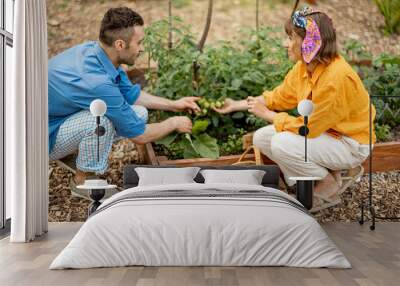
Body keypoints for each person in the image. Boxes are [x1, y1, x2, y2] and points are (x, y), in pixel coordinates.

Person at [214, 6, 375, 212]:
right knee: (262, 138)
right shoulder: (304, 68)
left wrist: (270, 116)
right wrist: (236, 104)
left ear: (310, 43)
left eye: (291, 38)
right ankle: (315, 180)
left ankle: (328, 184)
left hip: (349, 143)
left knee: (282, 143)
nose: (285, 44)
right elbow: (279, 96)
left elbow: (309, 129)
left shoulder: (336, 79)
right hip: (326, 134)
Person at [48, 7, 201, 198]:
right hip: (40, 139)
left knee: (139, 113)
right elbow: (140, 136)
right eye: (139, 43)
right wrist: (174, 123)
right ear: (120, 44)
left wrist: (174, 104)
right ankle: (82, 181)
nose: (142, 48)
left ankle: (71, 153)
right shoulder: (97, 83)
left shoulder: (99, 53)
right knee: (99, 122)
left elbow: (132, 96)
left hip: (58, 116)